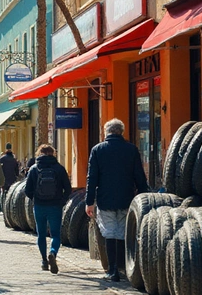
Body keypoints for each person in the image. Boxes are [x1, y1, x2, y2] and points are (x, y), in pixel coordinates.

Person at [85, 118, 149, 282]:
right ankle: (123, 268)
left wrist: (89, 201)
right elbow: (139, 176)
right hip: (126, 198)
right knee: (122, 232)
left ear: (106, 132)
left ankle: (112, 270)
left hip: (105, 199)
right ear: (122, 132)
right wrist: (144, 195)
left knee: (109, 233)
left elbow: (92, 178)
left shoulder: (98, 150)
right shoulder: (131, 149)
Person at [25, 144, 72, 273]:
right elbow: (68, 188)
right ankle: (53, 252)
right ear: (53, 154)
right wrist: (61, 201)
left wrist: (35, 199)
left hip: (39, 206)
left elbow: (27, 190)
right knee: (55, 234)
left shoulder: (34, 169)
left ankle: (44, 261)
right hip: (55, 206)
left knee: (41, 234)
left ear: (39, 153)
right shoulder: (59, 168)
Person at [0, 142, 19, 211]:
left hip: (4, 179)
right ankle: (9, 208)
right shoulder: (14, 160)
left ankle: (2, 208)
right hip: (12, 179)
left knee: (3, 194)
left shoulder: (2, 159)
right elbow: (17, 171)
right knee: (11, 194)